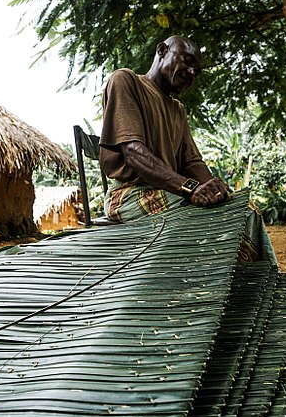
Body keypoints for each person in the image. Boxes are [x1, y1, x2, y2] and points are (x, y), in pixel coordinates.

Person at [99, 35, 275, 263]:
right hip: (129, 195)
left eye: (196, 70)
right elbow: (133, 152)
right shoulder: (126, 81)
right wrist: (189, 188)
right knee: (212, 215)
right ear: (162, 51)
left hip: (171, 192)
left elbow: (192, 163)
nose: (192, 73)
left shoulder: (177, 109)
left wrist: (216, 190)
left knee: (244, 209)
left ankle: (262, 282)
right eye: (187, 62)